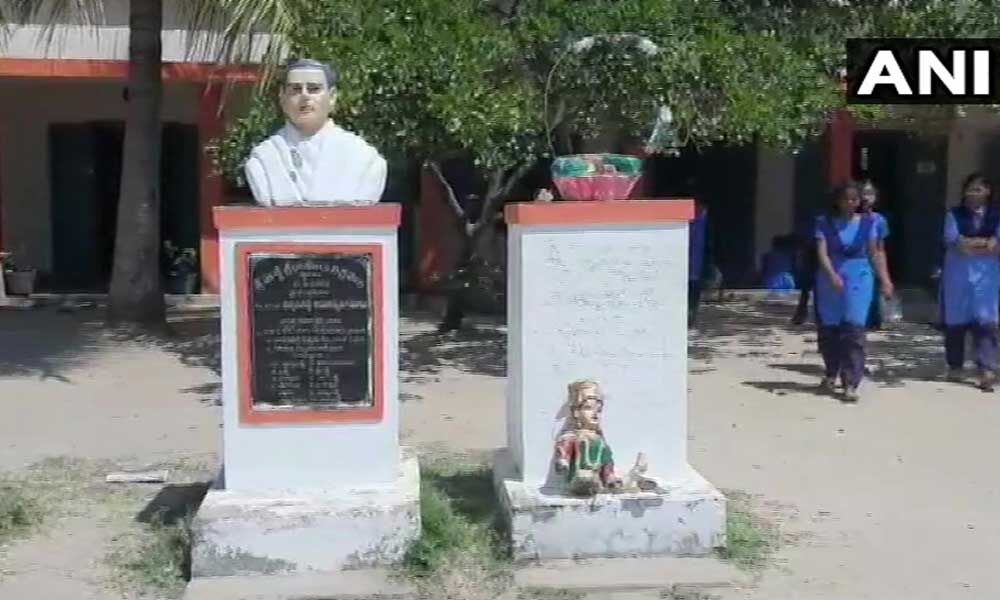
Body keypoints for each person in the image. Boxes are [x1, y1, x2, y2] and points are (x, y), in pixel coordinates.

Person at [245, 58, 387, 205]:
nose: (305, 96)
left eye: (313, 89)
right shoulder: (264, 158)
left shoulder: (364, 157)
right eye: (296, 89)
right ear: (282, 97)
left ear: (332, 97)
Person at [814, 182, 894, 402]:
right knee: (829, 330)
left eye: (854, 199)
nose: (850, 203)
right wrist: (832, 275)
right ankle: (831, 372)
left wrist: (885, 279)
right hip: (830, 277)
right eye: (846, 199)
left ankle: (851, 382)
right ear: (837, 201)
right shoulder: (824, 222)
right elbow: (822, 253)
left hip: (859, 276)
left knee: (854, 330)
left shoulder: (869, 223)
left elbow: (876, 253)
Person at [940, 173, 1000, 391]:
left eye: (978, 189)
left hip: (987, 277)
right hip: (958, 275)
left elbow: (998, 246)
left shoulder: (996, 215)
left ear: (988, 192)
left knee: (986, 323)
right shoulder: (954, 214)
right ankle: (955, 366)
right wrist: (986, 242)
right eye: (970, 189)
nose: (973, 194)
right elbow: (956, 243)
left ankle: (986, 370)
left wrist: (973, 243)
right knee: (956, 323)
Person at [859, 179, 891, 330]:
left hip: (871, 266)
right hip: (853, 266)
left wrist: (886, 279)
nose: (866, 197)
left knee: (872, 303)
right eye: (863, 193)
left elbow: (880, 250)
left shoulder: (879, 220)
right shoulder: (850, 218)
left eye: (870, 193)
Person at [688, 199, 709, 328]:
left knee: (693, 293)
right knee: (692, 293)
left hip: (695, 266)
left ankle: (691, 317)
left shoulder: (700, 222)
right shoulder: (696, 222)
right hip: (693, 265)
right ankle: (690, 317)